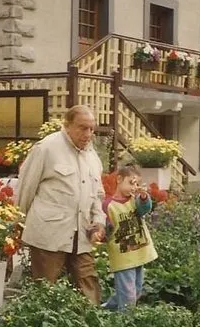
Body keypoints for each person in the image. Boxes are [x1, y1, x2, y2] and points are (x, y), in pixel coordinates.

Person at [16, 105, 106, 304]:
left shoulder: (92, 156)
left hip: (82, 233)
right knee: (45, 288)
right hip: (49, 233)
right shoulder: (46, 148)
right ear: (67, 125)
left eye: (92, 129)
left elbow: (97, 194)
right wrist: (17, 223)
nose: (88, 134)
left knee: (88, 281)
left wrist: (99, 221)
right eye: (83, 128)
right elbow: (25, 188)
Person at [101, 165, 158, 311]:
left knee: (137, 290)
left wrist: (144, 197)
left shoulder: (135, 200)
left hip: (139, 253)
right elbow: (104, 227)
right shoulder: (108, 205)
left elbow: (144, 209)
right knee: (128, 295)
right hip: (123, 256)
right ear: (119, 179)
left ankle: (107, 309)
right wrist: (101, 232)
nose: (134, 187)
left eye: (137, 184)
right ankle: (125, 324)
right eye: (131, 183)